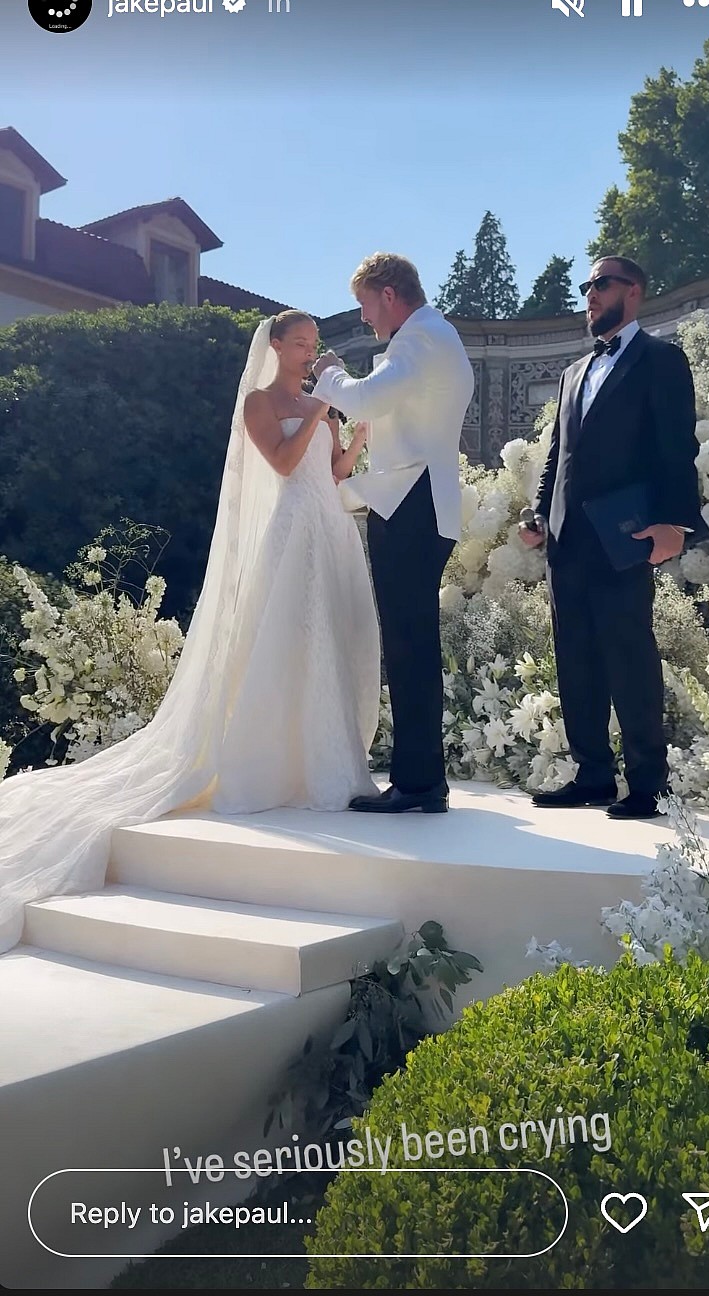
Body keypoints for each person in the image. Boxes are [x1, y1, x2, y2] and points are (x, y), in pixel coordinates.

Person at [0, 311, 380, 952]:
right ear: (277, 347)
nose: (311, 352)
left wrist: (357, 432)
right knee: (286, 642)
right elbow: (284, 465)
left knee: (329, 643)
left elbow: (333, 472)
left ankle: (328, 762)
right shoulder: (263, 402)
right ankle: (271, 764)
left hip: (331, 529)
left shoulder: (322, 404)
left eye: (316, 344)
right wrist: (319, 411)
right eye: (301, 343)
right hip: (291, 531)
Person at [518, 256, 702, 820]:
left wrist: (675, 524)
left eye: (601, 285)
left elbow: (677, 448)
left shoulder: (662, 360)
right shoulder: (575, 372)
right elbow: (558, 455)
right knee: (575, 658)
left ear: (635, 292)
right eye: (587, 287)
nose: (590, 295)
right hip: (566, 537)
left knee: (629, 654)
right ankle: (592, 775)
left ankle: (649, 783)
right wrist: (537, 513)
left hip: (624, 535)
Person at [311, 253, 474, 815]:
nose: (364, 320)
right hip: (426, 504)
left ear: (388, 293)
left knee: (408, 647)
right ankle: (423, 780)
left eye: (364, 305)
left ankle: (419, 782)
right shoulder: (439, 336)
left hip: (411, 505)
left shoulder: (419, 340)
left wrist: (328, 371)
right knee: (414, 645)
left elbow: (362, 398)